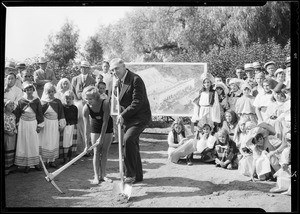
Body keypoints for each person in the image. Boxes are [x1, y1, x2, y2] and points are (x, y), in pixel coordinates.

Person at [110, 58, 152, 184]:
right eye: (112, 70)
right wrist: (115, 89)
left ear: (124, 66)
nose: (114, 71)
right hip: (129, 119)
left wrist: (123, 114)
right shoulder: (118, 82)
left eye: (116, 68)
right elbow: (120, 98)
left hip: (140, 117)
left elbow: (137, 101)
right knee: (133, 144)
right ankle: (138, 175)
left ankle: (130, 174)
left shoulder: (135, 79)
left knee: (128, 140)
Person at [82, 86, 114, 184]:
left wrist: (101, 137)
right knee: (96, 151)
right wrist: (86, 144)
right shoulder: (86, 108)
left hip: (107, 126)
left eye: (90, 99)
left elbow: (105, 121)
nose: (88, 101)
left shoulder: (105, 103)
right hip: (95, 125)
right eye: (86, 99)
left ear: (96, 97)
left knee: (104, 151)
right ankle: (96, 176)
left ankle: (103, 175)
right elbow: (86, 127)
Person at [14, 81, 44, 173]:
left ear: (33, 90)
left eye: (31, 89)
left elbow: (39, 113)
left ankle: (35, 163)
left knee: (33, 142)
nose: (29, 91)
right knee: (24, 142)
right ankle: (26, 164)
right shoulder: (21, 100)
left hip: (32, 123)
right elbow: (17, 113)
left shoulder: (36, 100)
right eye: (27, 90)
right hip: (23, 124)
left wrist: (40, 125)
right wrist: (15, 123)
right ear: (24, 90)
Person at [71, 61, 96, 156]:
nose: (83, 69)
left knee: (87, 125)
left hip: (87, 104)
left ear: (88, 69)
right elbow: (72, 91)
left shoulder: (92, 80)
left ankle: (88, 147)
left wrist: (86, 100)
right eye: (82, 67)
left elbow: (93, 92)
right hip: (77, 103)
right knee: (78, 125)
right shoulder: (75, 79)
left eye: (85, 67)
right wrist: (77, 100)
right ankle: (80, 149)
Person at [39, 82, 66, 168]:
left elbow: (61, 113)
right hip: (46, 124)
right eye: (49, 92)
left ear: (54, 91)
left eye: (52, 91)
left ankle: (52, 160)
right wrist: (40, 124)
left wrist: (61, 124)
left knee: (53, 141)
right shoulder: (43, 102)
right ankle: (44, 160)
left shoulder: (57, 102)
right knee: (46, 141)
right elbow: (40, 114)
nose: (51, 93)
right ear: (46, 92)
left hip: (54, 124)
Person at [60, 90, 78, 164]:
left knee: (72, 143)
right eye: (66, 98)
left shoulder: (74, 108)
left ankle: (71, 158)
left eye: (70, 98)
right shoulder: (63, 107)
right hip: (66, 126)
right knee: (65, 142)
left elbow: (75, 118)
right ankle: (65, 158)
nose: (68, 100)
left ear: (72, 99)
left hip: (72, 126)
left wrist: (74, 125)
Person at [4, 99, 18, 175]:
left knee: (13, 149)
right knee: (7, 148)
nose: (12, 107)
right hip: (7, 135)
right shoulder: (4, 115)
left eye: (13, 105)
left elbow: (14, 124)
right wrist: (7, 131)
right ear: (5, 106)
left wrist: (14, 131)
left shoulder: (13, 115)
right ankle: (6, 167)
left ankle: (11, 166)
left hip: (13, 135)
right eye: (10, 105)